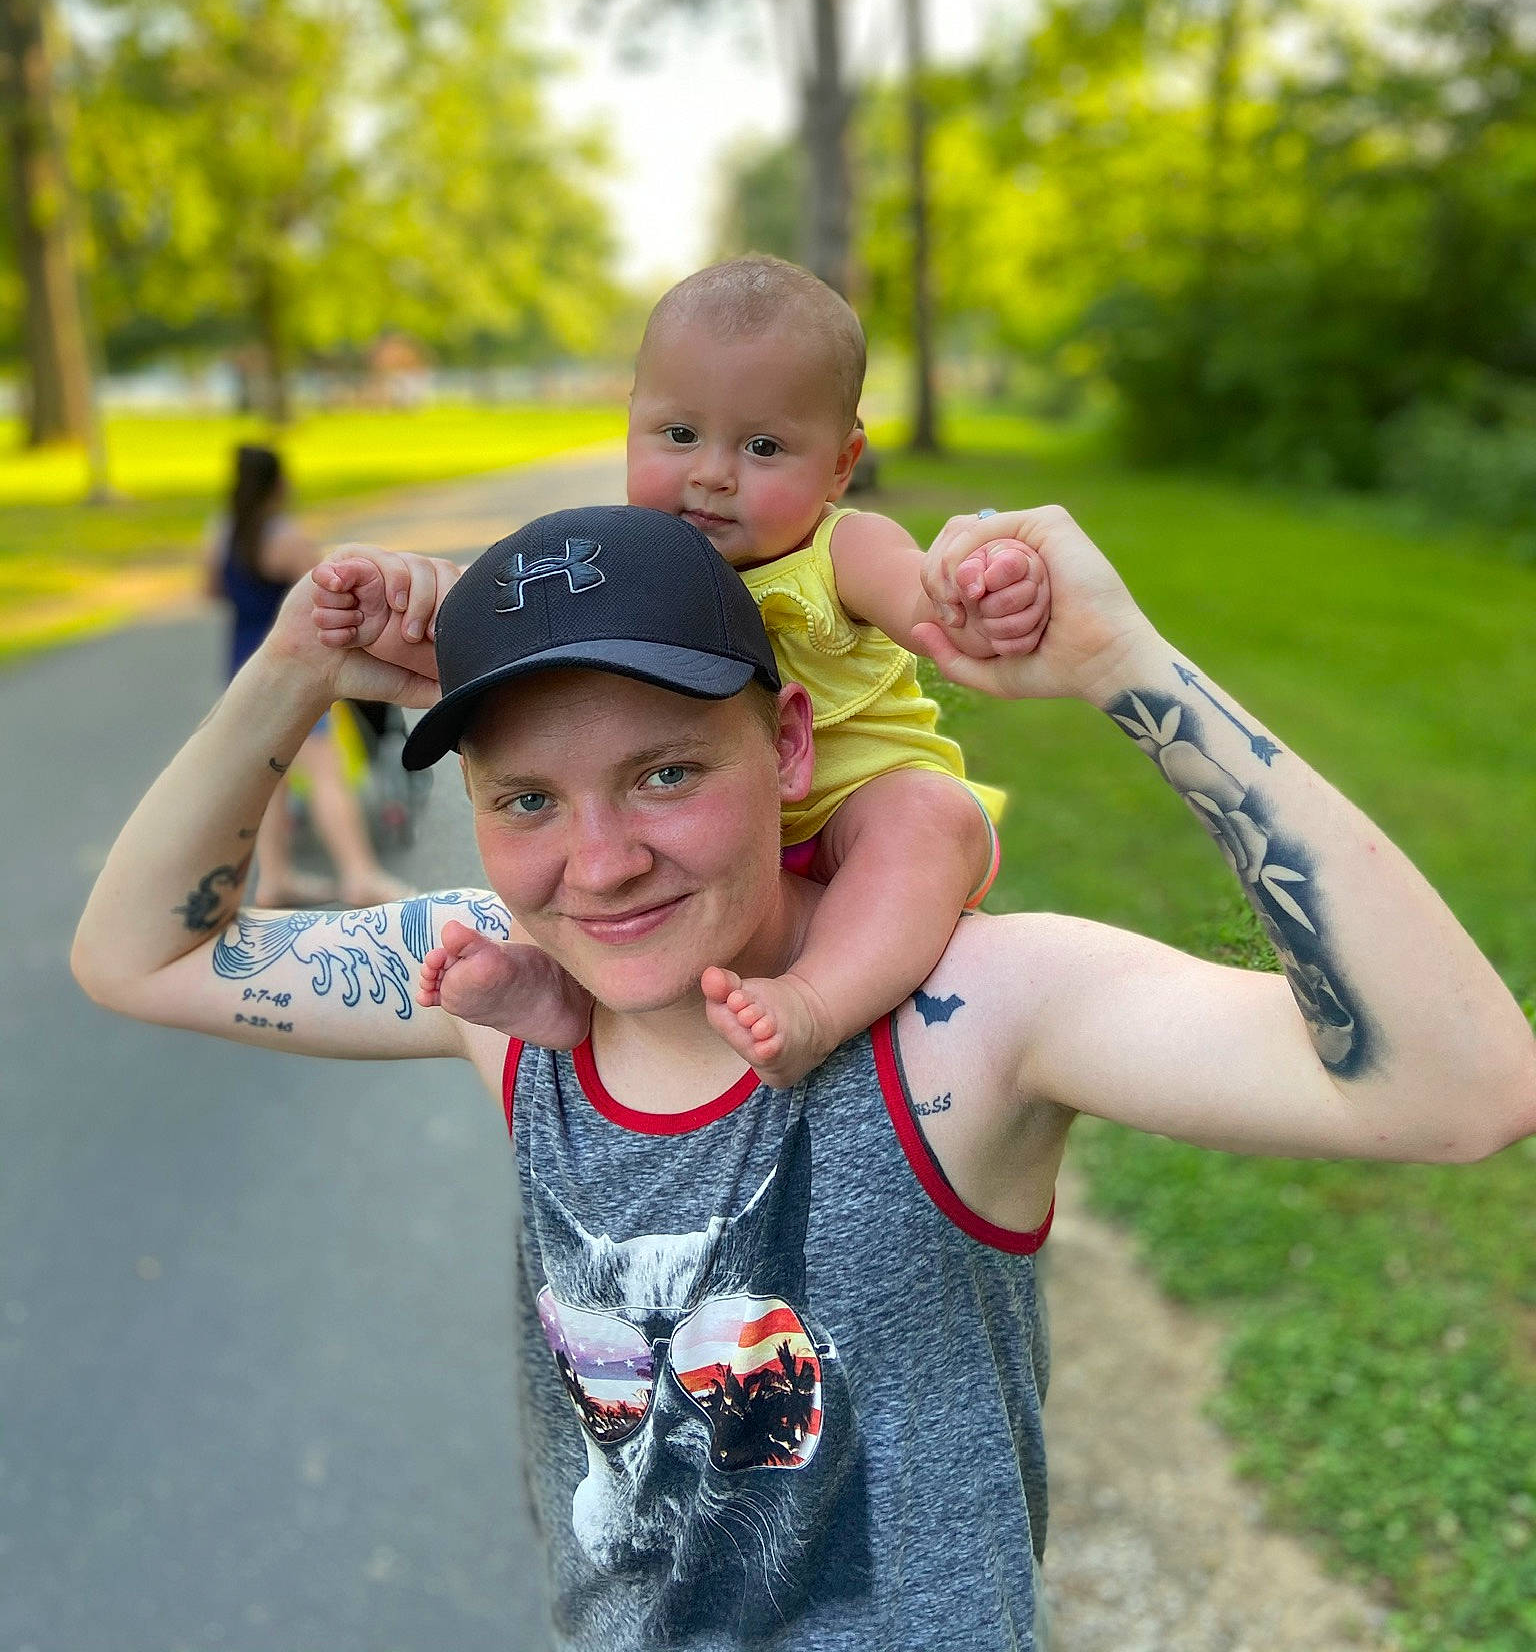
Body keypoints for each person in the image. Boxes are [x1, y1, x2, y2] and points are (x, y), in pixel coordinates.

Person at [74, 500, 1536, 1651]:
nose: (600, 864)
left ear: (787, 741)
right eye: (526, 801)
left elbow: (1459, 1087)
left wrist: (1130, 670)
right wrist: (291, 672)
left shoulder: (961, 1015)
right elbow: (138, 954)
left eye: (665, 773)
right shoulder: (502, 998)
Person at [313, 256, 1051, 1084]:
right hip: (724, 834)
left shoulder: (842, 548)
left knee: (926, 817)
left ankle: (817, 1004)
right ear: (631, 422)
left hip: (852, 806)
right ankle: (557, 996)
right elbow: (524, 619)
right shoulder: (629, 558)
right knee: (573, 844)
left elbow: (928, 604)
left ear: (842, 464)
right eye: (679, 434)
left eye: (763, 446)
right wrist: (406, 601)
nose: (712, 472)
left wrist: (981, 593)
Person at [204, 441, 409, 909]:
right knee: (325, 772)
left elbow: (211, 588)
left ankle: (274, 876)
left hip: (240, 662)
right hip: (290, 664)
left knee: (266, 778)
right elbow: (327, 593)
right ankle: (360, 874)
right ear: (278, 483)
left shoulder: (222, 532)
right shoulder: (285, 537)